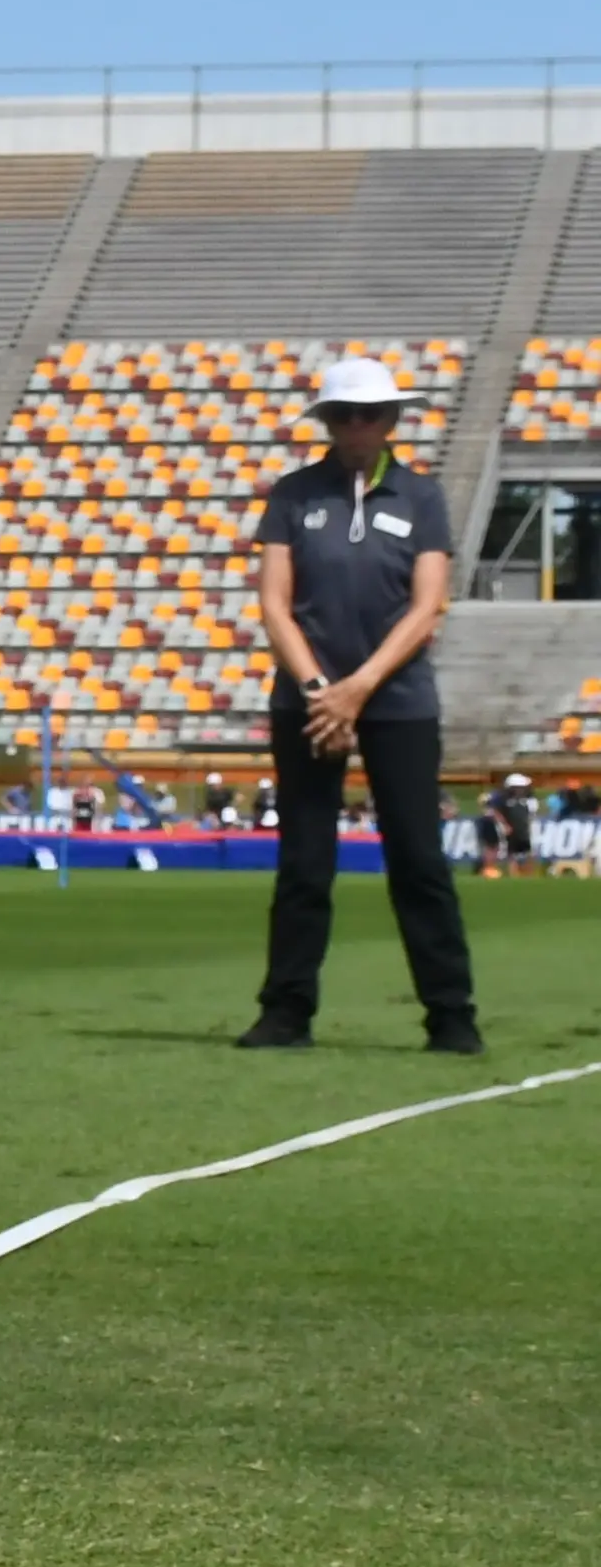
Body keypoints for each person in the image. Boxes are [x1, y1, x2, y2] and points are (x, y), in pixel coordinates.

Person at [241, 357, 475, 1053]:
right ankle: (286, 1011)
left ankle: (451, 1014)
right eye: (343, 415)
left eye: (368, 415)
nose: (356, 427)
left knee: (419, 860)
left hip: (397, 699)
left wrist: (359, 686)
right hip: (307, 702)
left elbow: (427, 603)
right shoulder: (292, 494)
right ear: (327, 421)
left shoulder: (422, 498)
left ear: (393, 420)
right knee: (305, 860)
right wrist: (320, 691)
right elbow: (274, 604)